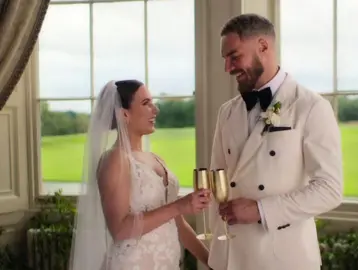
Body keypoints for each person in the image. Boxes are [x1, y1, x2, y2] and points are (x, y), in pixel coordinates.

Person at [207, 14, 343, 270]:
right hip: (229, 256)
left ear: (263, 47)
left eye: (234, 57)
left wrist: (260, 210)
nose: (227, 68)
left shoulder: (311, 107)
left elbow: (329, 190)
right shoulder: (227, 112)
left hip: (282, 258)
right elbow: (218, 180)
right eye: (225, 59)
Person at [69, 80, 211, 270]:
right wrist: (180, 205)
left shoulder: (156, 159)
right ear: (124, 114)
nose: (155, 110)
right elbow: (119, 229)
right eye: (146, 104)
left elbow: (178, 223)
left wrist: (211, 262)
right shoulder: (114, 160)